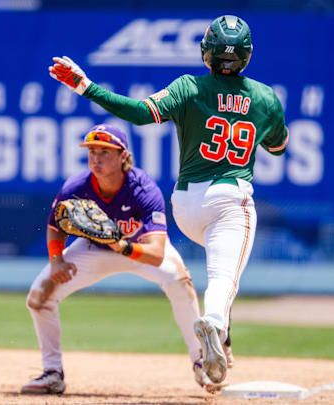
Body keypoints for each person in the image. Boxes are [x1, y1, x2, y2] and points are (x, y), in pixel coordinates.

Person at [48, 15, 288, 387]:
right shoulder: (266, 98)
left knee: (219, 264)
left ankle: (219, 329)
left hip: (186, 205)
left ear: (206, 51)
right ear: (247, 55)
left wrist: (86, 87)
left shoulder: (190, 87)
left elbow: (141, 114)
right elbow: (278, 145)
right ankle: (216, 329)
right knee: (223, 277)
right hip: (229, 200)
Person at [20, 124, 220, 394]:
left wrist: (122, 246)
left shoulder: (143, 189)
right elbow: (56, 225)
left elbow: (157, 253)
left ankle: (201, 363)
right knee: (38, 297)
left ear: (123, 156)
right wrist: (57, 260)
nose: (96, 158)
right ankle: (52, 373)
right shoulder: (77, 186)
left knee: (179, 281)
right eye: (92, 151)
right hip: (94, 250)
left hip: (138, 248)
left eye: (105, 151)